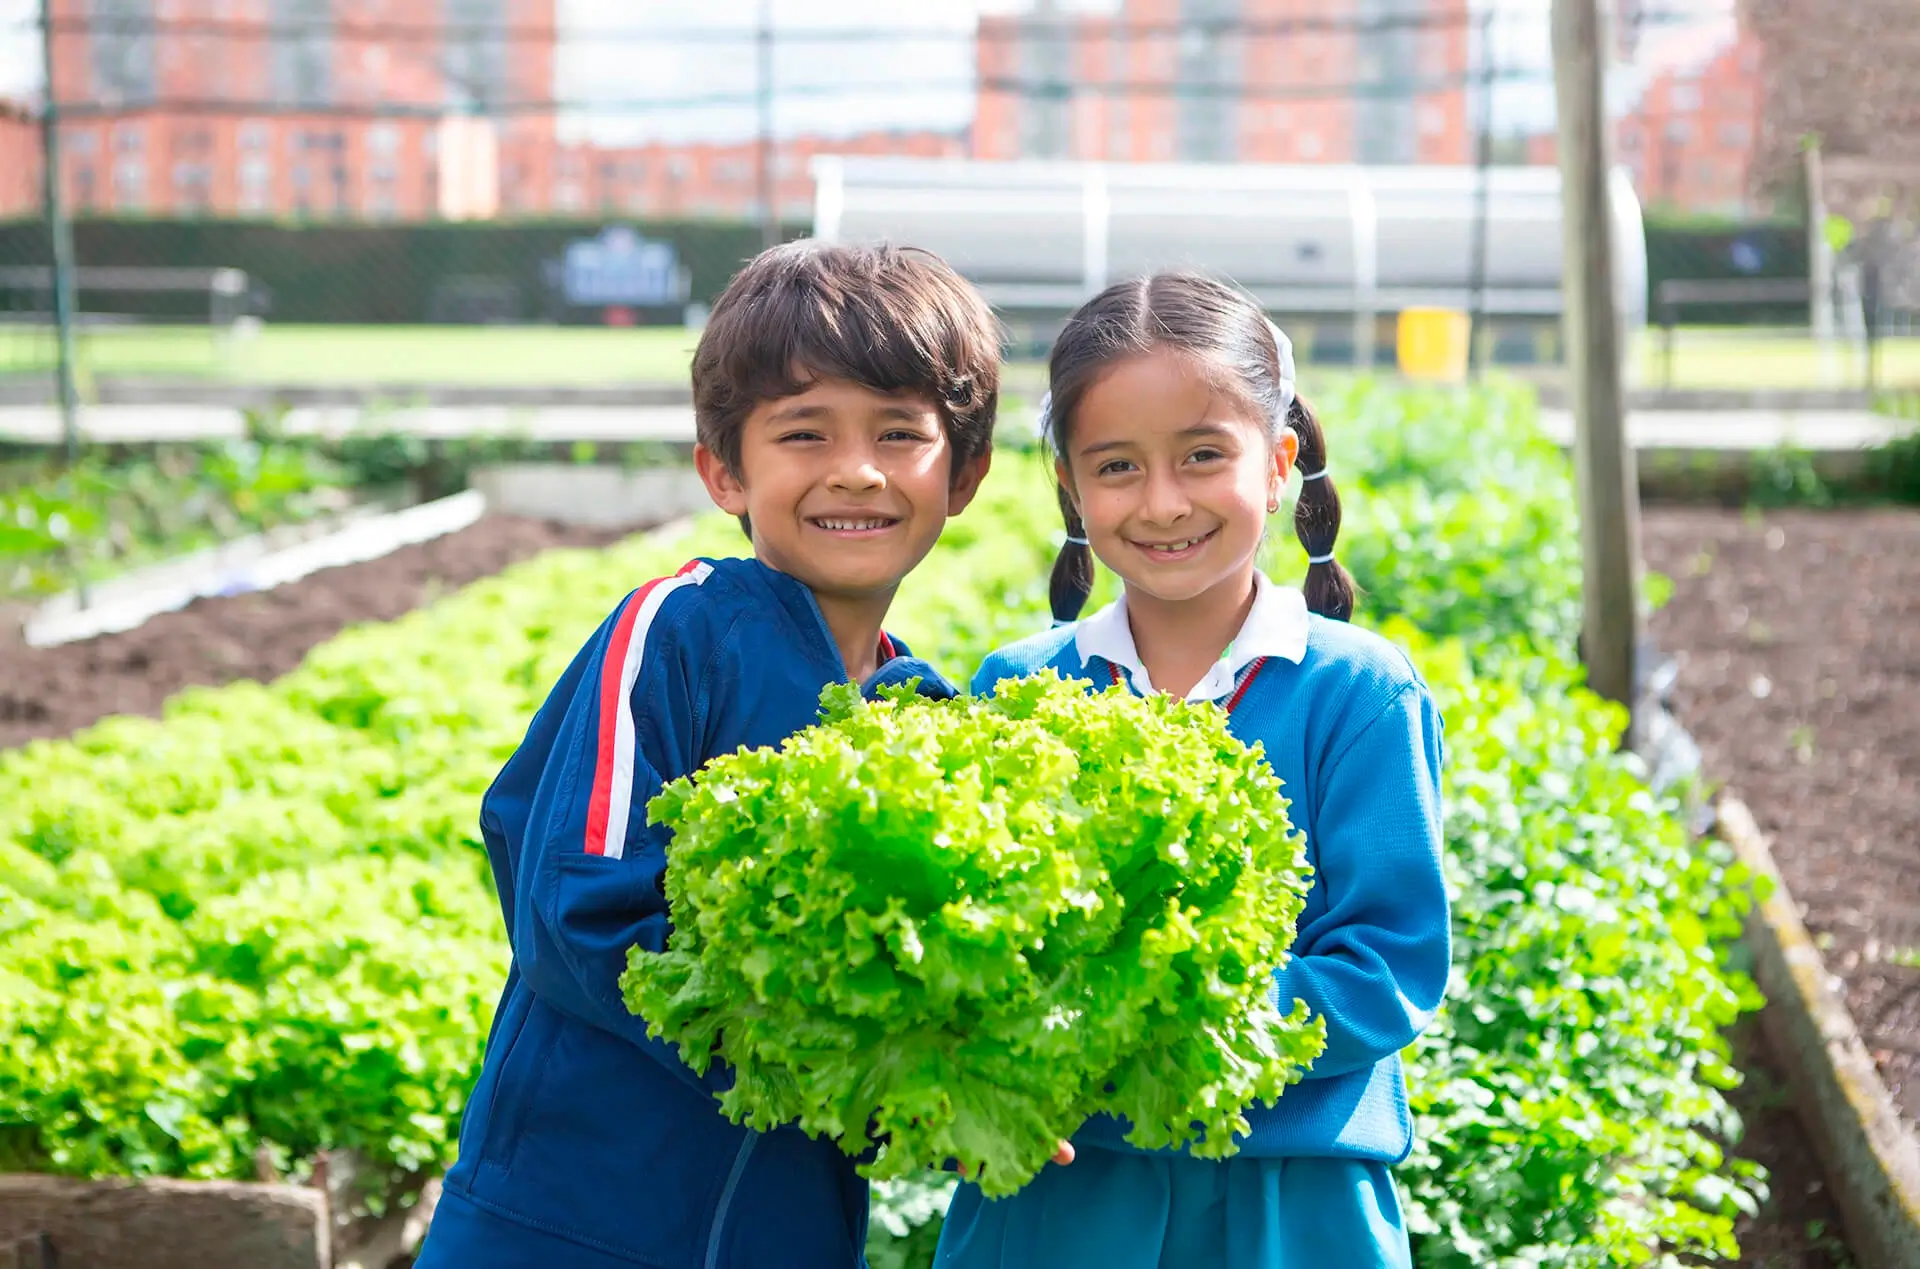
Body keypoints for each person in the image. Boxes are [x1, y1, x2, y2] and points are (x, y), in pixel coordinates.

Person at [416, 240, 1003, 1269]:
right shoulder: (675, 632)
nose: (855, 471)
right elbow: (577, 907)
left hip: (790, 1238)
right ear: (725, 469)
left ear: (965, 473)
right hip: (567, 1220)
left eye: (900, 434)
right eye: (804, 433)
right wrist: (810, 1058)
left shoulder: (933, 725)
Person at [937, 272, 1450, 1269]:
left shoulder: (1358, 693)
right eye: (1118, 466)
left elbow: (1387, 964)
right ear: (1070, 489)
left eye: (1204, 456)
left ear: (1279, 462)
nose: (1163, 502)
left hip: (1289, 1207)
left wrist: (1157, 1029)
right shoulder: (1017, 687)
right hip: (1056, 1198)